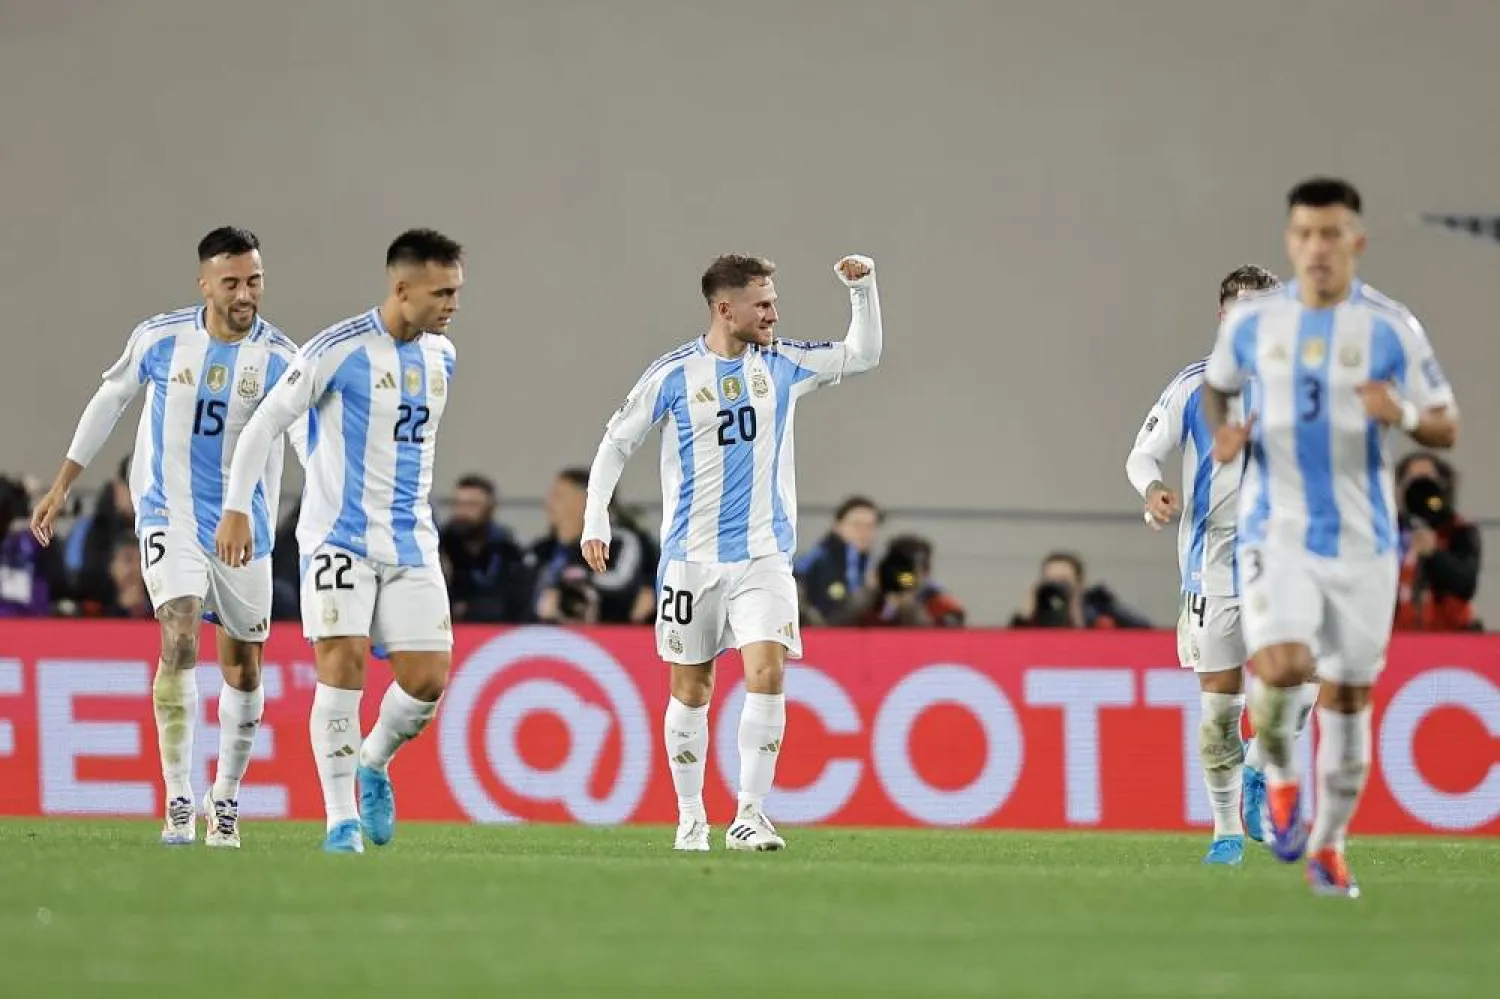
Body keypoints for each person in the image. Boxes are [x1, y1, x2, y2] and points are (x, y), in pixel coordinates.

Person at [1204, 177, 1459, 897]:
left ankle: (1330, 844)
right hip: (1273, 526)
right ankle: (1280, 781)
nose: (1317, 247)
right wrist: (1225, 427)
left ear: (1356, 241)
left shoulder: (1389, 328)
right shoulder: (1254, 324)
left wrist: (1402, 410)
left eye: (1331, 234)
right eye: (1305, 234)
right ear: (1290, 242)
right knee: (1281, 667)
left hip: (1363, 537)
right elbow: (1218, 383)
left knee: (1346, 696)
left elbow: (1446, 422)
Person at [580, 253, 883, 852]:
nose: (774, 312)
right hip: (690, 560)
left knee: (767, 671)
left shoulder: (784, 363)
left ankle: (750, 813)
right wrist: (596, 517)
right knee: (691, 690)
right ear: (726, 309)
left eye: (773, 301)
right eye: (762, 303)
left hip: (763, 555)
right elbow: (616, 442)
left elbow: (862, 354)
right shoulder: (673, 375)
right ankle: (692, 815)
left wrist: (864, 290)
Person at [29, 226, 304, 848]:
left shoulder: (284, 360)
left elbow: (308, 441)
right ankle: (179, 798)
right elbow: (110, 399)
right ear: (204, 283)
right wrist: (63, 482)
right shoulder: (160, 338)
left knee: (244, 667)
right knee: (179, 631)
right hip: (168, 514)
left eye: (253, 280)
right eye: (231, 282)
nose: (244, 294)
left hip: (245, 529)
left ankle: (224, 800)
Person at [216, 229, 463, 855]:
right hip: (338, 540)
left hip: (410, 542)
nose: (452, 304)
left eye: (457, 291)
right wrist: (239, 508)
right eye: (442, 292)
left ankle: (373, 762)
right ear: (401, 288)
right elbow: (265, 420)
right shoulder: (339, 349)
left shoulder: (443, 357)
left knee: (428, 680)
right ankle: (339, 821)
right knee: (341, 666)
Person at [1126, 263, 1320, 864]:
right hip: (1212, 567)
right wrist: (1153, 490)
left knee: (1304, 679)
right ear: (1224, 316)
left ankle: (1260, 768)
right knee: (1220, 707)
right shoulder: (1193, 387)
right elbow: (1141, 455)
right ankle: (1224, 832)